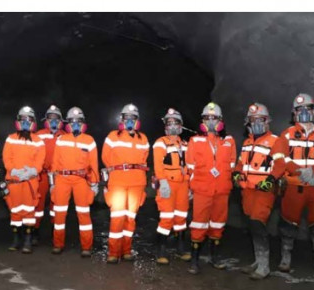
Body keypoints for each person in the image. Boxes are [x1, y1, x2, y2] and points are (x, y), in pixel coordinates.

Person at [277, 93, 314, 275]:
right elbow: (280, 158)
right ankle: (285, 259)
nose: (304, 113)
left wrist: (313, 171)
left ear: (313, 111)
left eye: (307, 109)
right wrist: (300, 171)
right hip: (295, 186)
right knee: (288, 223)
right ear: (294, 113)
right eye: (300, 110)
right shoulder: (286, 135)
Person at [233, 103, 286, 280]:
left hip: (264, 190)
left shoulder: (275, 141)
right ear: (248, 122)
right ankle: (257, 260)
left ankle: (264, 266)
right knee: (252, 224)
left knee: (258, 224)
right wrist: (236, 174)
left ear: (267, 121)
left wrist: (271, 180)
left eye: (260, 119)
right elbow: (241, 164)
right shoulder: (247, 142)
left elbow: (280, 165)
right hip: (247, 190)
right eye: (252, 120)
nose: (256, 123)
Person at [185, 102, 236, 274]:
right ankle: (194, 261)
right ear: (202, 121)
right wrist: (191, 188)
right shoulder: (195, 140)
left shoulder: (229, 141)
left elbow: (232, 164)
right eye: (207, 118)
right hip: (202, 190)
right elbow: (190, 167)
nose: (211, 122)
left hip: (222, 190)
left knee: (218, 224)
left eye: (214, 118)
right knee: (198, 225)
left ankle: (215, 258)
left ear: (221, 121)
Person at [101, 103, 150, 264]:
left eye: (133, 118)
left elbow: (144, 159)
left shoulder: (143, 139)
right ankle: (113, 252)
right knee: (117, 217)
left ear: (137, 120)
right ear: (121, 119)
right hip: (118, 182)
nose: (129, 121)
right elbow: (105, 157)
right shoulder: (112, 136)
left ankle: (126, 250)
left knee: (130, 217)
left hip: (137, 182)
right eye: (126, 118)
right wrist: (116, 171)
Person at [49, 107, 99, 257]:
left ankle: (86, 247)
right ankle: (58, 244)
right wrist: (52, 183)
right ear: (67, 123)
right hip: (62, 179)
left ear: (83, 123)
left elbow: (94, 165)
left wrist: (95, 184)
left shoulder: (89, 140)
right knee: (59, 213)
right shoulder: (61, 139)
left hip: (81, 180)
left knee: (83, 213)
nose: (75, 124)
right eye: (72, 122)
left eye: (79, 122)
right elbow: (55, 163)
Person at [3, 106, 45, 254]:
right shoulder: (11, 138)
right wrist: (13, 170)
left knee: (29, 211)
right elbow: (6, 158)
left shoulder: (38, 140)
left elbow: (40, 160)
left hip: (30, 181)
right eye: (23, 119)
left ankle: (27, 240)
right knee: (15, 210)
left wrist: (33, 171)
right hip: (14, 180)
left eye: (29, 119)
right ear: (18, 121)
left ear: (33, 122)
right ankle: (16, 239)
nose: (26, 122)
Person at [152, 108, 191, 265]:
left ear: (181, 125)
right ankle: (161, 251)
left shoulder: (185, 144)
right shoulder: (160, 143)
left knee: (181, 217)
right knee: (167, 217)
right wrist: (162, 181)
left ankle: (180, 249)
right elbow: (158, 164)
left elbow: (189, 165)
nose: (173, 126)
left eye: (176, 123)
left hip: (183, 185)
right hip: (167, 183)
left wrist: (189, 184)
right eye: (170, 123)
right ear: (166, 126)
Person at [35, 104, 66, 245]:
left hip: (58, 175)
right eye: (50, 118)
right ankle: (34, 231)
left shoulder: (66, 137)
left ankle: (55, 230)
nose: (53, 121)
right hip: (41, 174)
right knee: (38, 202)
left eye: (56, 118)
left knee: (57, 203)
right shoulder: (39, 135)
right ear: (46, 120)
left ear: (61, 120)